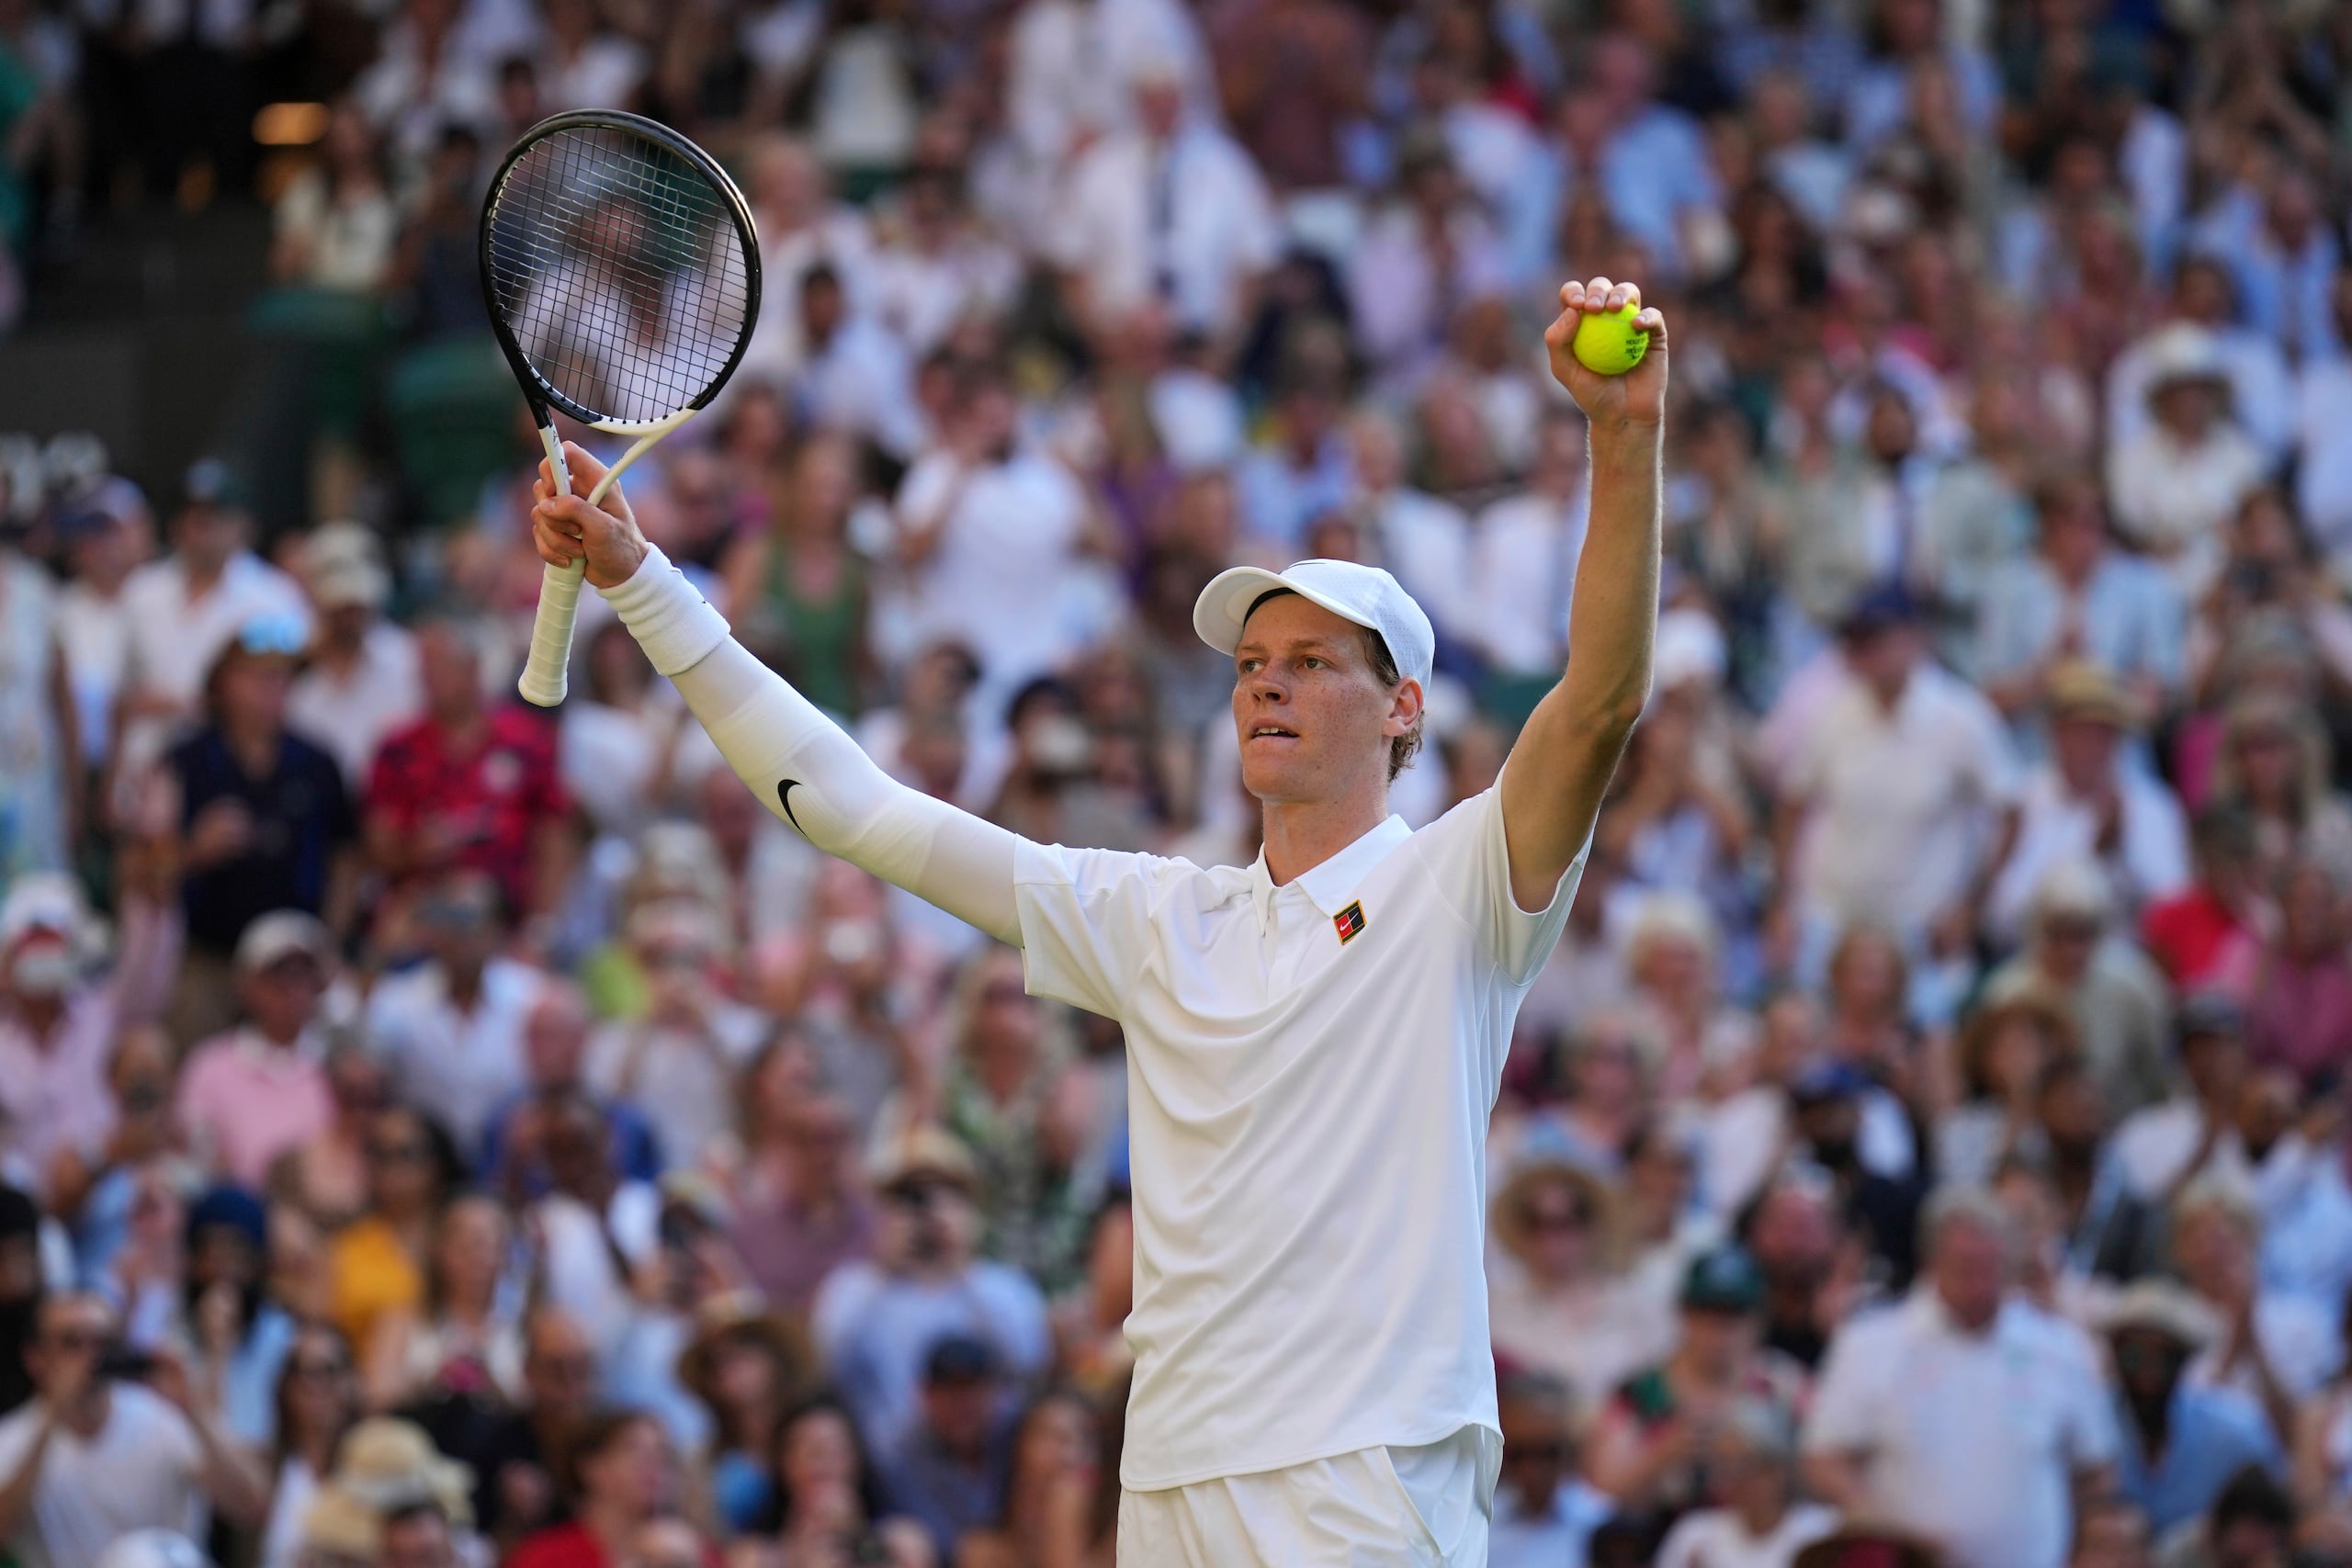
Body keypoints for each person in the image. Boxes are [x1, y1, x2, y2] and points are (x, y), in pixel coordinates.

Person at [535, 273, 1666, 1562]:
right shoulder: (1157, 915)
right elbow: (852, 808)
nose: (1266, 687)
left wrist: (1621, 437)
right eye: (1252, 666)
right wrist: (642, 580)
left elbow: (1599, 700)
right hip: (1172, 1483)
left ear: (1402, 706)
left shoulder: (1461, 882)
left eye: (1310, 664)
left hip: (1368, 1477)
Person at [810, 1129, 1051, 1454]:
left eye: (946, 1195)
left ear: (971, 1209)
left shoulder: (1002, 1287)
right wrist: (885, 1268)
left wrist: (960, 1266)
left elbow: (1028, 1361)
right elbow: (829, 1366)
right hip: (891, 1476)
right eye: (906, 1197)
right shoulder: (855, 1289)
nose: (926, 1212)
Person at [0, 1292, 270, 1568]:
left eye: (104, 1342)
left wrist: (194, 1409)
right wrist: (52, 1416)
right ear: (35, 1358)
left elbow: (252, 1506)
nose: (91, 1357)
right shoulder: (12, 1440)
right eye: (72, 1342)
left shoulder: (162, 1417)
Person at [2098, 1280, 2282, 1539]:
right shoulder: (2086, 1426)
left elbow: (2271, 1521)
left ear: (2185, 1362)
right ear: (2114, 1356)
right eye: (2133, 1357)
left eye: (2165, 1360)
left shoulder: (2235, 1432)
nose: (2147, 1377)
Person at [175, 913, 338, 1190]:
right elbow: (196, 1158)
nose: (294, 988)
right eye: (281, 973)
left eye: (305, 973)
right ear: (248, 984)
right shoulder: (209, 1064)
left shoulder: (334, 1068)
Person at [738, 1395, 931, 1568]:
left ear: (857, 1459)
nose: (824, 1462)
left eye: (835, 1449)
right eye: (811, 1452)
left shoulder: (901, 1542)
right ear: (782, 1464)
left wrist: (858, 1538)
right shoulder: (755, 1556)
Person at [1655, 1398, 1839, 1568]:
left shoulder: (1820, 1532)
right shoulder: (1695, 1535)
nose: (1729, 1481)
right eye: (1721, 1466)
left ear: (1777, 1469)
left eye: (1741, 1466)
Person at [1487, 1371, 1611, 1568]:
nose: (1532, 1470)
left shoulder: (1601, 1524)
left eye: (1548, 1452)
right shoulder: (1481, 1524)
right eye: (1518, 1454)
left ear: (1570, 1449)